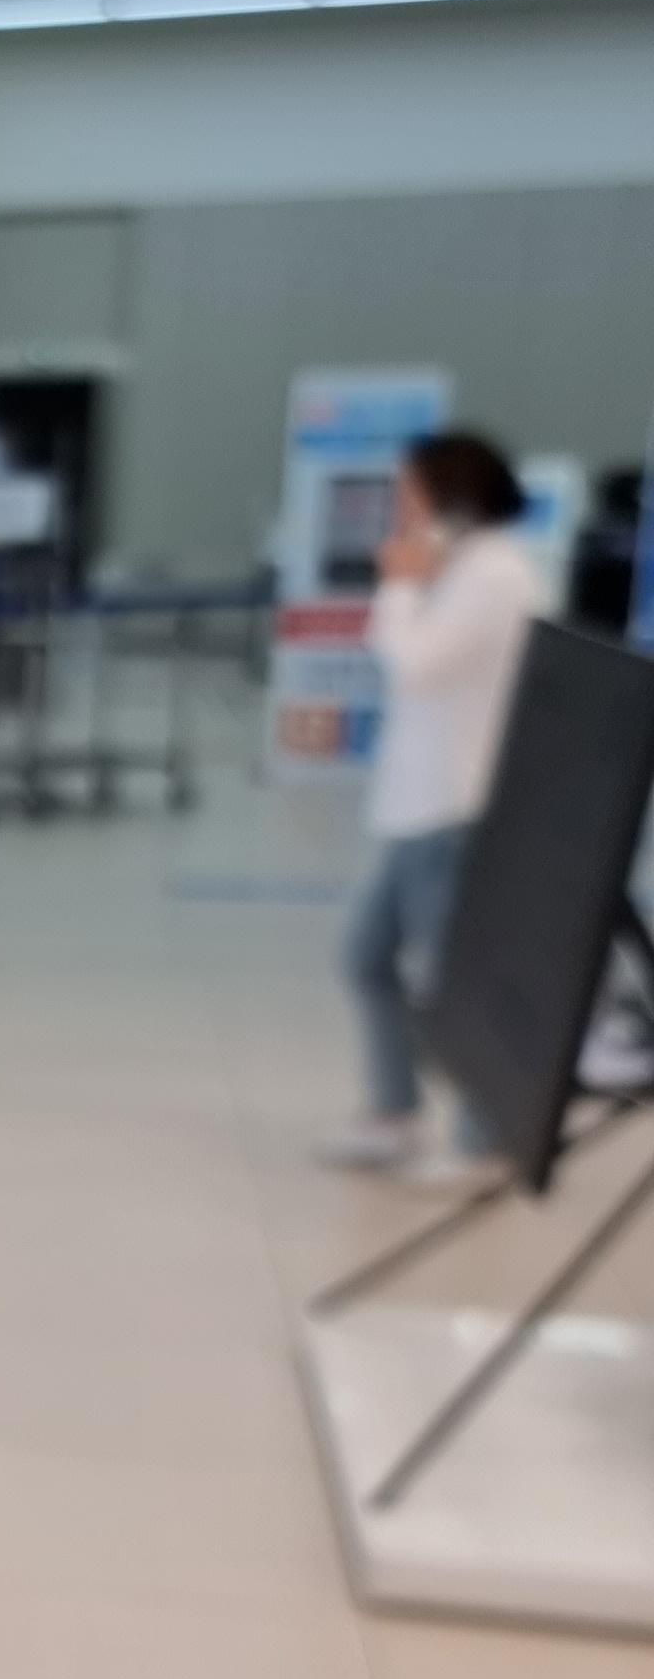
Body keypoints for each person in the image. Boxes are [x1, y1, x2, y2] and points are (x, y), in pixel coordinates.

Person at [317, 427, 547, 1173]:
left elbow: (415, 664)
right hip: (419, 804)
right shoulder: (462, 567)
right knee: (367, 958)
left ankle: (483, 1139)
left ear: (451, 492)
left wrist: (399, 584)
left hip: (454, 805)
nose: (401, 505)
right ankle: (394, 1112)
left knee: (448, 982)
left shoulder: (496, 575)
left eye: (410, 490)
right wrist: (413, 582)